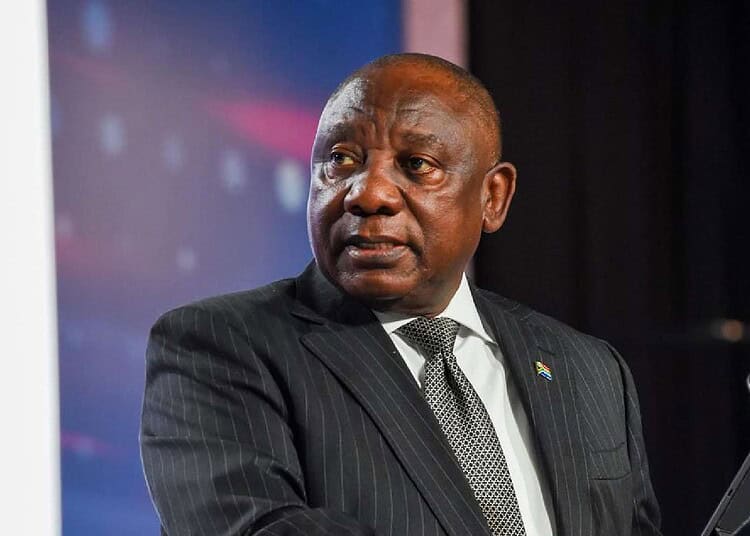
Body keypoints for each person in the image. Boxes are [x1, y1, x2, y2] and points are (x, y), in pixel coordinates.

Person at [140, 53, 662, 536]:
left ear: (493, 197)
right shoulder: (221, 347)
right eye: (341, 159)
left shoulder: (588, 369)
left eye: (416, 164)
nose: (368, 193)